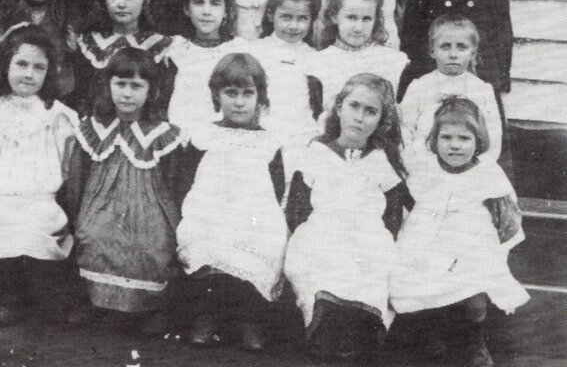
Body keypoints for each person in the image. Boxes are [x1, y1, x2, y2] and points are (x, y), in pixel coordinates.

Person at [391, 97, 528, 367]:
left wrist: (495, 249)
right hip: (429, 236)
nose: (454, 145)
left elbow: (507, 215)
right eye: (446, 137)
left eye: (464, 138)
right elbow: (411, 196)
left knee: (473, 284)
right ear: (434, 140)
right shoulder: (426, 167)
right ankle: (430, 334)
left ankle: (474, 339)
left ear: (478, 141)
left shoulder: (487, 171)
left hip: (470, 239)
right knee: (416, 277)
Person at [283, 73, 411, 360]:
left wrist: (379, 245)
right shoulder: (316, 153)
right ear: (338, 107)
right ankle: (324, 324)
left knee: (371, 276)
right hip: (322, 235)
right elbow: (297, 210)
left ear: (381, 120)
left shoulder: (382, 160)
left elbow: (392, 217)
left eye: (371, 111)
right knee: (322, 273)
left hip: (368, 239)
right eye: (354, 106)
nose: (360, 117)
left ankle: (360, 327)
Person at [0, 26, 79, 325]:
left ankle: (16, 297)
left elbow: (67, 164)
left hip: (39, 199)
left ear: (50, 73)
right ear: (6, 65)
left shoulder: (57, 115)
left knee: (30, 230)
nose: (29, 74)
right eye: (21, 64)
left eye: (39, 67)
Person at [66, 48, 184, 334]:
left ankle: (149, 308)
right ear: (108, 86)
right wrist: (78, 213)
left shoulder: (162, 133)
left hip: (150, 207)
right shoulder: (93, 128)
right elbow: (77, 178)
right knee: (97, 236)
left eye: (136, 86)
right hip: (101, 206)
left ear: (151, 90)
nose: (127, 93)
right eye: (120, 84)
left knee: (149, 244)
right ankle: (101, 304)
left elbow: (174, 182)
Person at [176, 53, 287, 350]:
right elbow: (186, 182)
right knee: (208, 243)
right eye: (231, 93)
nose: (239, 102)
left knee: (257, 247)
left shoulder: (269, 142)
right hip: (209, 213)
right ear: (216, 95)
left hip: (254, 216)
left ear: (260, 96)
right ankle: (207, 316)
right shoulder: (204, 136)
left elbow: (277, 189)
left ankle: (248, 320)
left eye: (248, 93)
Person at [399, 0, 513, 174]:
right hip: (435, 84)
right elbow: (412, 38)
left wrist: (496, 81)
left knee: (480, 155)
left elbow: (502, 35)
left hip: (477, 82)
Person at [399, 14, 502, 169]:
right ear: (432, 51)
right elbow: (404, 131)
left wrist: (480, 169)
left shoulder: (482, 90)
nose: (453, 54)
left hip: (469, 169)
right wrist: (412, 165)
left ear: (473, 53)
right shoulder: (419, 87)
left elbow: (493, 137)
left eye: (461, 47)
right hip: (424, 168)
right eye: (445, 46)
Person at [74, 0, 174, 113]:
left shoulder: (161, 46)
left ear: (145, 0)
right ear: (104, 0)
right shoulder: (88, 44)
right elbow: (81, 96)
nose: (121, 4)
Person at [309, 0, 410, 113]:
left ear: (376, 19)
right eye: (351, 17)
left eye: (367, 19)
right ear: (333, 16)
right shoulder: (317, 62)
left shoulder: (394, 61)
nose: (359, 28)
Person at [165, 0, 248, 138]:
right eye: (198, 3)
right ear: (187, 9)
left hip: (224, 138)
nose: (206, 11)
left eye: (215, 3)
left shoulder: (240, 49)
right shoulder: (176, 49)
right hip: (182, 139)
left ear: (226, 11)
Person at [250, 0, 322, 146]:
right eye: (286, 17)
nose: (293, 26)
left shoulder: (315, 57)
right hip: (262, 133)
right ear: (270, 15)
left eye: (302, 18)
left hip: (302, 135)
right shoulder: (255, 51)